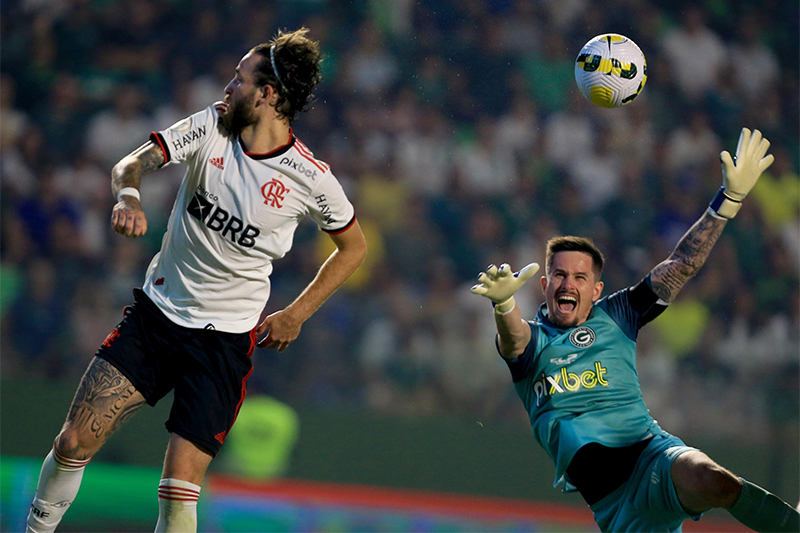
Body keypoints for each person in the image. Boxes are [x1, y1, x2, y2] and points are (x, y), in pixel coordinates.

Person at [26, 28, 366, 533]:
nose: (227, 88)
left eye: (239, 79)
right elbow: (132, 163)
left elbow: (353, 246)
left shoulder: (310, 178)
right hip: (157, 319)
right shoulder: (210, 125)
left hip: (225, 344)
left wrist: (297, 313)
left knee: (179, 493)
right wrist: (129, 198)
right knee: (73, 442)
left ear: (268, 94)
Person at [471, 128, 799, 533]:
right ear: (544, 285)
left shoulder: (619, 314)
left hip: (655, 456)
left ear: (596, 290)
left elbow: (680, 264)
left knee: (712, 480)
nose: (567, 284)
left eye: (579, 276)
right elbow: (512, 338)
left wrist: (728, 201)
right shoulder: (534, 342)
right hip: (616, 507)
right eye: (558, 275)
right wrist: (504, 304)